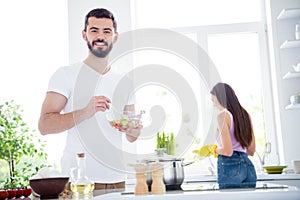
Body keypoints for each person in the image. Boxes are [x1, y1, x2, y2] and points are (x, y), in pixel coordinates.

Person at [38, 8, 141, 191]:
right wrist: (85, 112)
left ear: (115, 37)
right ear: (84, 34)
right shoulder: (65, 75)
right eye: (94, 30)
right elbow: (45, 125)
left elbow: (132, 136)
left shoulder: (125, 82)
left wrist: (133, 129)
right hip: (79, 182)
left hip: (117, 179)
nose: (100, 36)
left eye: (106, 31)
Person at [210, 82, 257, 189]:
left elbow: (228, 151)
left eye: (214, 101)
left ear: (220, 97)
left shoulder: (222, 115)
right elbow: (251, 151)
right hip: (248, 167)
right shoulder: (246, 116)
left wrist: (214, 149)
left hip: (230, 166)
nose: (214, 105)